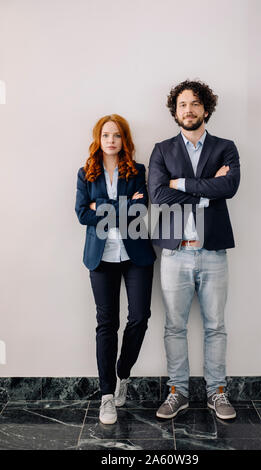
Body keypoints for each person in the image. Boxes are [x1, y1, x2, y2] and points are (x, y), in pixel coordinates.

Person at [148, 79, 240, 420]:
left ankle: (218, 393)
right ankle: (178, 392)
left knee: (216, 325)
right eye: (183, 104)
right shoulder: (162, 150)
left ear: (206, 109)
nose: (189, 109)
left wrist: (182, 184)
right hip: (174, 253)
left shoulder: (226, 147)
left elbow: (229, 186)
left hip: (213, 251)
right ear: (176, 111)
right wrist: (206, 191)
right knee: (175, 326)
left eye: (195, 103)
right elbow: (158, 195)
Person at [75, 114, 156, 425]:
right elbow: (82, 214)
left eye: (117, 136)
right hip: (100, 258)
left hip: (135, 255)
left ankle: (123, 373)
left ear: (125, 140)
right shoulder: (86, 174)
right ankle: (107, 395)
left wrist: (102, 208)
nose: (111, 140)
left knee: (139, 317)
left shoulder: (137, 171)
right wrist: (120, 207)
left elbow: (139, 210)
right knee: (106, 325)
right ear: (99, 139)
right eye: (106, 135)